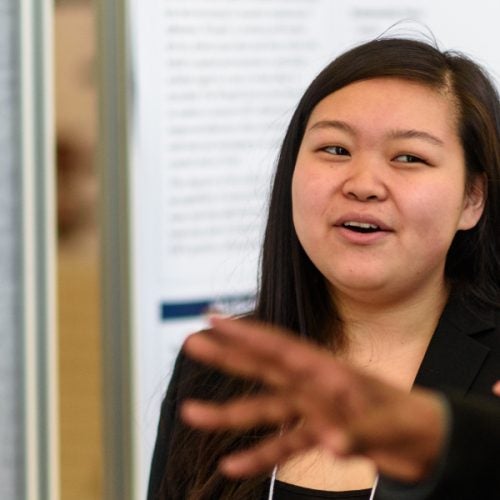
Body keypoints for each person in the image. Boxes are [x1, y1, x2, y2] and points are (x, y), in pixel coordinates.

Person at [147, 36, 500, 500]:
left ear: (472, 199)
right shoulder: (213, 366)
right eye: (335, 150)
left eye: (409, 157)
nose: (364, 184)